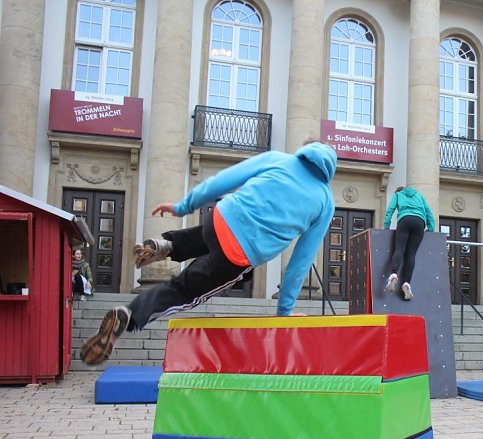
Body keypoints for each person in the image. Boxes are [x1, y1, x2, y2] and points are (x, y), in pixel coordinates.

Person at [80, 141, 337, 365]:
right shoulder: (325, 201)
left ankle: (168, 244)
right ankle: (131, 314)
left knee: (211, 236)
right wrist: (284, 311)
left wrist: (183, 206)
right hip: (240, 254)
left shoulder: (279, 159)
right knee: (183, 289)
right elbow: (301, 261)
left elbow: (224, 180)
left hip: (219, 219)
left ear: (305, 152)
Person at [383, 186, 435, 301]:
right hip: (419, 223)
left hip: (404, 220)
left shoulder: (398, 195)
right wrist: (431, 228)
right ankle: (406, 284)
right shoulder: (419, 195)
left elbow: (390, 210)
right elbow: (428, 211)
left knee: (399, 249)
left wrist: (386, 226)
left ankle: (394, 275)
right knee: (411, 254)